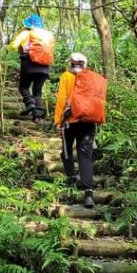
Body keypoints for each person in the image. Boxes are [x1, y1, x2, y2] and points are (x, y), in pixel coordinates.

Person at [54, 53, 107, 209]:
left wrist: (58, 121)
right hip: (89, 122)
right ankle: (88, 193)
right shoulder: (92, 78)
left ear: (70, 63)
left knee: (66, 152)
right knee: (85, 156)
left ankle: (71, 182)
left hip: (70, 121)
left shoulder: (67, 76)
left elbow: (61, 99)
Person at [7, 13, 56, 121]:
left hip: (29, 63)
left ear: (28, 24)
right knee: (37, 91)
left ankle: (30, 103)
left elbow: (14, 45)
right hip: (45, 66)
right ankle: (37, 117)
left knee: (23, 87)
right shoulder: (47, 36)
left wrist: (8, 47)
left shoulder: (26, 33)